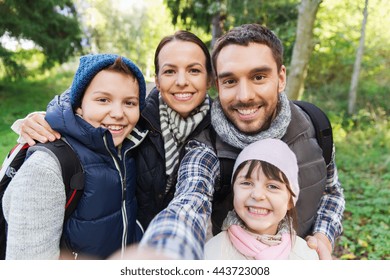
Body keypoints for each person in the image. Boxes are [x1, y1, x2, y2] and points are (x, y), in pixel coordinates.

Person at [138, 23, 344, 260]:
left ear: (281, 77)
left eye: (258, 77)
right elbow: (188, 204)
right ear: (217, 85)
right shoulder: (205, 148)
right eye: (230, 81)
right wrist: (164, 254)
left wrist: (323, 235)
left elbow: (331, 191)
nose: (244, 96)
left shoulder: (315, 126)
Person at [8, 30, 213, 232]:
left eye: (194, 70)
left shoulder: (223, 124)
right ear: (157, 81)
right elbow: (88, 105)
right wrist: (41, 119)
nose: (181, 81)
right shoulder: (138, 119)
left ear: (209, 79)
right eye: (169, 71)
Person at [2, 53, 148, 259]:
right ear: (79, 105)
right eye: (103, 100)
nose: (118, 113)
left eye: (130, 103)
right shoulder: (46, 168)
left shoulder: (126, 149)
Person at [204, 138, 318, 260]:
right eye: (247, 183)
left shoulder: (306, 256)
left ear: (290, 201)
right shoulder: (212, 253)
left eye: (272, 186)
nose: (257, 195)